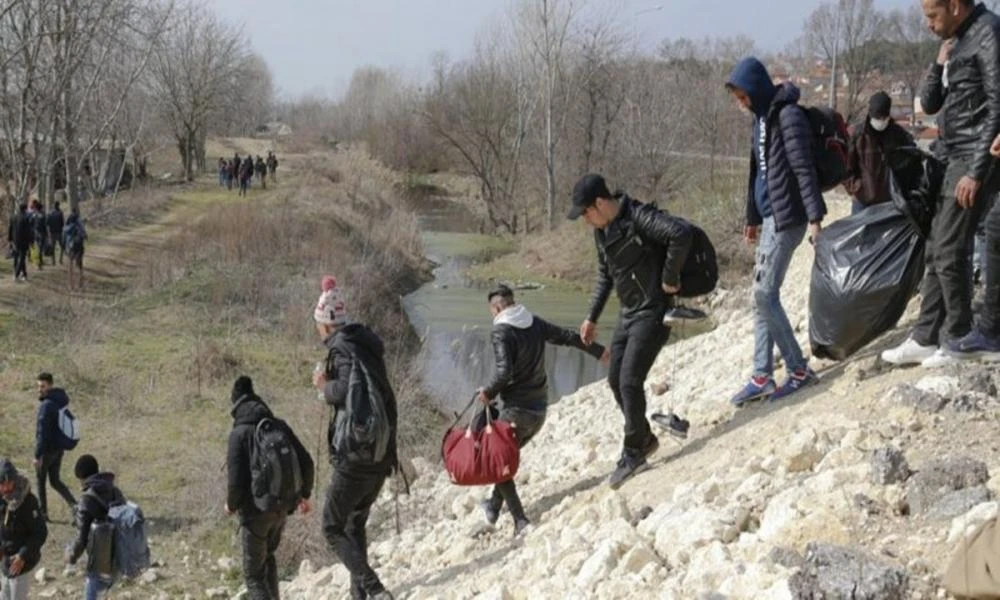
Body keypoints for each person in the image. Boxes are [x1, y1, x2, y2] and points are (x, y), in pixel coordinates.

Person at [881, 0, 1000, 367]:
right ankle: (926, 336)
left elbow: (997, 104)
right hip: (953, 155)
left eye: (932, 15)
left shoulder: (987, 32)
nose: (929, 24)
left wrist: (976, 171)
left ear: (953, 6)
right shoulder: (960, 40)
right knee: (936, 246)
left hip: (973, 157)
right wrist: (938, 63)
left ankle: (960, 337)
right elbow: (932, 103)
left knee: (950, 248)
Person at [568, 174, 694, 489]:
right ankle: (644, 438)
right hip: (628, 312)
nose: (585, 220)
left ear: (599, 203)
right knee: (615, 380)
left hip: (653, 311)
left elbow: (680, 234)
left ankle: (633, 450)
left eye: (585, 213)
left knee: (629, 380)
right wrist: (591, 317)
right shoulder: (602, 231)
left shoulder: (638, 217)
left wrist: (669, 279)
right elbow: (605, 274)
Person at [724, 57, 826, 406]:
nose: (740, 103)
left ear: (755, 89)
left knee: (765, 295)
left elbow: (804, 169)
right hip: (768, 219)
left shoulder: (788, 116)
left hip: (789, 220)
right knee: (760, 296)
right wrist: (751, 216)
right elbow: (757, 171)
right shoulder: (760, 119)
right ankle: (761, 375)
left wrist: (815, 218)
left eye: (742, 96)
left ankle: (798, 369)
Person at [476, 284, 608, 533]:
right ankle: (493, 504)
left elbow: (505, 372)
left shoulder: (501, 332)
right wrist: (598, 350)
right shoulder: (533, 323)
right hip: (539, 410)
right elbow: (568, 337)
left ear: (496, 308)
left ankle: (520, 521)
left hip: (517, 411)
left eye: (492, 312)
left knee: (496, 458)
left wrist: (488, 392)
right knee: (503, 456)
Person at [311, 277, 396, 600]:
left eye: (318, 324)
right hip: (380, 450)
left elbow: (344, 391)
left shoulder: (343, 349)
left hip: (356, 452)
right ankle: (359, 594)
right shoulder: (366, 346)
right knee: (354, 523)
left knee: (331, 526)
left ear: (326, 325)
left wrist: (323, 386)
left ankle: (374, 589)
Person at [226, 375, 314, 600]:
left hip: (255, 513)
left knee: (253, 575)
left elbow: (236, 482)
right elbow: (307, 461)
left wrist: (231, 505)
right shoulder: (278, 426)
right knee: (268, 558)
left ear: (235, 404)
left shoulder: (239, 434)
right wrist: (304, 495)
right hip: (283, 507)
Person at [844, 91, 917, 214]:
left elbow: (912, 155)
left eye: (884, 117)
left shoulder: (897, 134)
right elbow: (846, 167)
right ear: (871, 114)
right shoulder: (857, 134)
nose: (881, 121)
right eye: (878, 118)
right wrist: (856, 187)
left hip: (890, 201)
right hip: (862, 200)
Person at [67, 455, 125, 600]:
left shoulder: (86, 500)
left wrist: (71, 556)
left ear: (81, 477)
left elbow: (81, 540)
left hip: (98, 565)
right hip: (117, 560)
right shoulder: (114, 491)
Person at [0, 460, 47, 600]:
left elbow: (40, 533)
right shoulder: (2, 499)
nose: (6, 488)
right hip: (4, 561)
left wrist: (22, 555)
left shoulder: (28, 502)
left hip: (21, 563)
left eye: (8, 483)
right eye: (2, 484)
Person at [34, 373, 76, 522]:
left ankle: (43, 514)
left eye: (43, 386)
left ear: (50, 386)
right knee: (55, 481)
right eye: (38, 386)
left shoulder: (46, 406)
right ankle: (75, 506)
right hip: (58, 449)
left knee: (40, 481)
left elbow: (42, 433)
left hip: (46, 451)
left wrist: (37, 455)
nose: (40, 389)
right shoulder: (59, 401)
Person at [7, 204, 31, 283]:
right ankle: (16, 274)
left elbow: (10, 229)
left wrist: (10, 239)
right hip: (23, 241)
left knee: (18, 257)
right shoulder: (26, 218)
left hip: (15, 240)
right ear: (25, 209)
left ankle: (24, 274)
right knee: (22, 258)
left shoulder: (13, 217)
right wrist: (31, 241)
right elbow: (28, 231)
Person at [63, 211, 87, 292]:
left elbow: (63, 239)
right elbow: (85, 236)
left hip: (70, 248)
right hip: (79, 247)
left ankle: (71, 285)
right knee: (79, 266)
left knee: (70, 267)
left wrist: (64, 248)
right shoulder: (79, 227)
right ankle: (80, 284)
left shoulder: (66, 228)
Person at [28, 201, 46, 271]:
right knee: (40, 249)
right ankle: (39, 263)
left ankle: (36, 262)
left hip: (35, 233)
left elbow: (30, 223)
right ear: (41, 208)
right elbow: (45, 226)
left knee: (36, 248)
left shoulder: (33, 215)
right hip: (41, 234)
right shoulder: (42, 215)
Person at [46, 201, 65, 266]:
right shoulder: (60, 213)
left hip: (52, 232)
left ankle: (53, 261)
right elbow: (62, 223)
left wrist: (48, 232)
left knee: (52, 247)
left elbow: (47, 224)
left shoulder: (50, 213)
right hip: (59, 232)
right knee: (62, 246)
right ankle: (60, 259)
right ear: (58, 206)